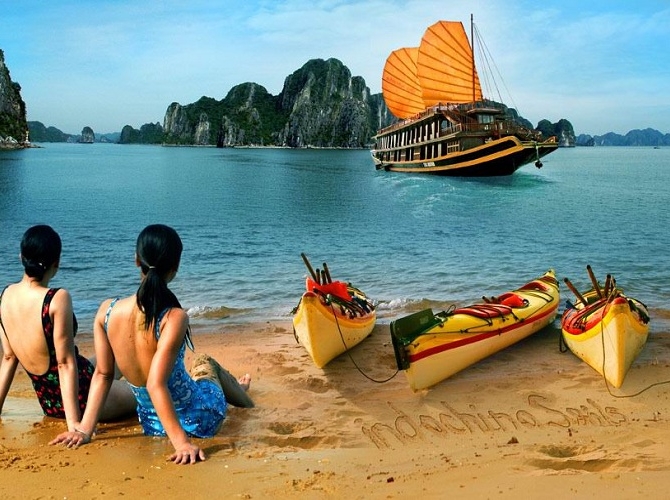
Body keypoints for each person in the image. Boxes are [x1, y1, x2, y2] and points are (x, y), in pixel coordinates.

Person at [51, 224, 253, 464]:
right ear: (175, 267)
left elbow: (103, 374)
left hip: (153, 426)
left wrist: (84, 430)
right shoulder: (174, 317)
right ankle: (244, 399)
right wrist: (182, 443)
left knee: (191, 377)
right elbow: (156, 383)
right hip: (200, 420)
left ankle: (237, 391)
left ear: (137, 260)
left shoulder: (107, 311)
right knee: (204, 362)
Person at [0, 225, 136, 430]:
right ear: (57, 262)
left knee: (119, 351)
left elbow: (9, 358)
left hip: (51, 403)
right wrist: (74, 424)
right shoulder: (56, 299)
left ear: (21, 257)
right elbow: (64, 363)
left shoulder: (5, 296)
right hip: (84, 399)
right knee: (146, 391)